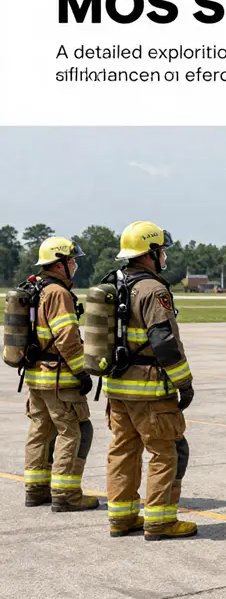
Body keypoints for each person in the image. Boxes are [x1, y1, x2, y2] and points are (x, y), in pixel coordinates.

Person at [104, 221, 196, 539]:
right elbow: (165, 343)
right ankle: (160, 521)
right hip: (148, 389)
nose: (165, 256)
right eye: (162, 250)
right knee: (163, 451)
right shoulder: (153, 290)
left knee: (123, 451)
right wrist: (184, 383)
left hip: (117, 388)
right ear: (151, 253)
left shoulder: (116, 285)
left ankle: (121, 517)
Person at [23, 236, 99, 512]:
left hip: (36, 377)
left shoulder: (37, 289)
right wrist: (81, 371)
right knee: (74, 432)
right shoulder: (58, 293)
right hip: (58, 379)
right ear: (59, 264)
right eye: (71, 261)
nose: (74, 265)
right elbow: (67, 337)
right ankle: (66, 495)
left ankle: (36, 489)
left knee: (40, 432)